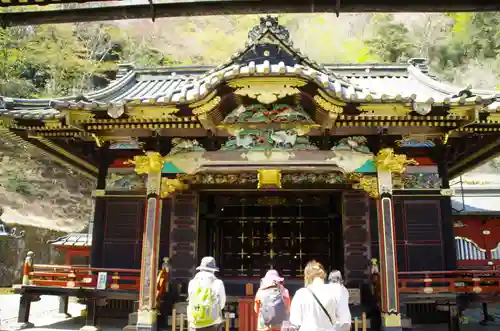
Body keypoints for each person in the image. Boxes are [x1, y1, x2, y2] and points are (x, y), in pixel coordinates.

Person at [289, 261, 351, 331]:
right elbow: (345, 322)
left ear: (307, 277)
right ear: (323, 275)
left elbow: (295, 322)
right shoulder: (336, 291)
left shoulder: (301, 294)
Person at [187, 256, 226, 331]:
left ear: (201, 269)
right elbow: (222, 304)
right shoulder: (218, 283)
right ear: (213, 270)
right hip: (213, 323)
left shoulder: (192, 282)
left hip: (195, 322)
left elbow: (190, 300)